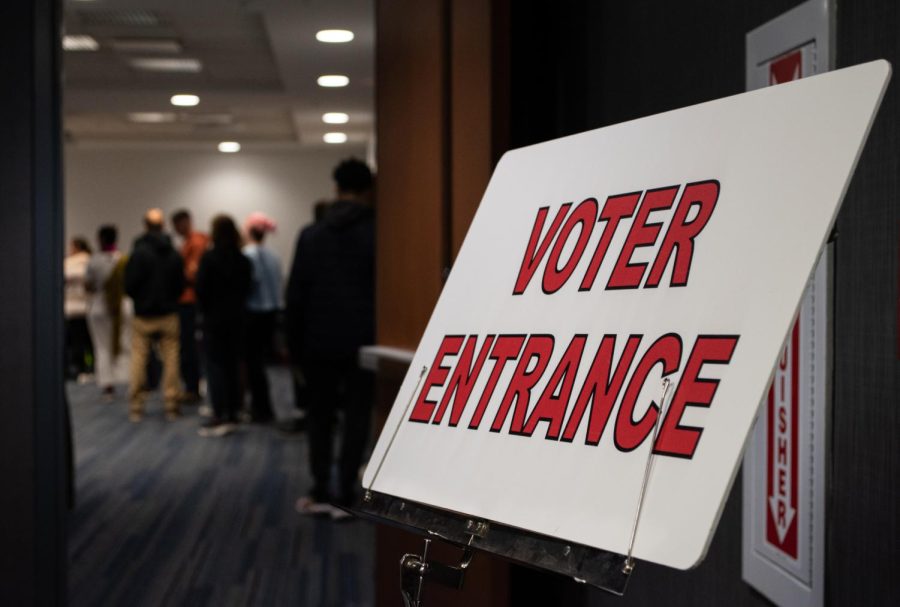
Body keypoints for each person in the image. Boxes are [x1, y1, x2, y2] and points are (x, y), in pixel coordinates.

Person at [287, 158, 375, 517]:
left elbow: (296, 295)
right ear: (369, 189)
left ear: (336, 188)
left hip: (318, 340)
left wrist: (294, 348)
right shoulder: (380, 233)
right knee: (356, 416)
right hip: (364, 340)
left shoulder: (311, 234)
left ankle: (320, 488)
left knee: (320, 417)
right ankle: (345, 494)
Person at [124, 209, 185, 422]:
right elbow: (180, 284)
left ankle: (136, 406)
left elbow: (129, 284)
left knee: (139, 359)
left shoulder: (138, 253)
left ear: (145, 226)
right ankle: (171, 404)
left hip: (144, 315)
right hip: (169, 314)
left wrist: (141, 299)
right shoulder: (174, 253)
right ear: (163, 226)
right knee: (171, 359)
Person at [195, 215, 252, 437]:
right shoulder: (243, 259)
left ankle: (220, 413)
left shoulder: (209, 259)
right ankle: (234, 410)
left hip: (214, 320)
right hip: (237, 318)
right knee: (233, 365)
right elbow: (247, 288)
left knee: (215, 367)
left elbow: (201, 290)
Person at [242, 212, 283, 423]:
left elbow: (251, 283)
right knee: (262, 362)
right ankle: (262, 406)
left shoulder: (248, 255)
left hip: (253, 313)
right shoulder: (273, 255)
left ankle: (261, 408)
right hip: (272, 312)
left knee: (253, 363)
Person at [85, 225, 131, 399]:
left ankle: (108, 386)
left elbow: (88, 285)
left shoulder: (94, 260)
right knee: (124, 344)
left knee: (102, 347)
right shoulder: (123, 259)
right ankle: (127, 382)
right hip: (122, 306)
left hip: (100, 306)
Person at [171, 209, 209, 403]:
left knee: (189, 347)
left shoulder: (196, 242)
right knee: (188, 346)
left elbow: (191, 274)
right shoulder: (190, 242)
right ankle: (192, 386)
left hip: (190, 301)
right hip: (188, 300)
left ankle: (193, 388)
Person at [64, 237, 94, 381]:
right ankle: (91, 369)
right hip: (88, 308)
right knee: (89, 342)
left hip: (73, 309)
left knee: (77, 343)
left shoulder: (67, 264)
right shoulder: (91, 261)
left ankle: (80, 369)